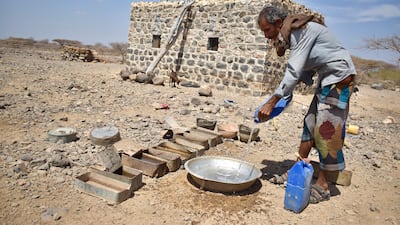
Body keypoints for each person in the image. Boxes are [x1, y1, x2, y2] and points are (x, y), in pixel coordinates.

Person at [256, 5, 357, 204]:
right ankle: (297, 170)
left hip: (339, 79)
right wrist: (284, 96)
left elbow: (293, 72)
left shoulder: (302, 31)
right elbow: (303, 69)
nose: (267, 36)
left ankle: (323, 185)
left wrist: (273, 100)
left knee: (327, 131)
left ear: (278, 23)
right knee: (310, 124)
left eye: (267, 30)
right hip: (326, 79)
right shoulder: (292, 33)